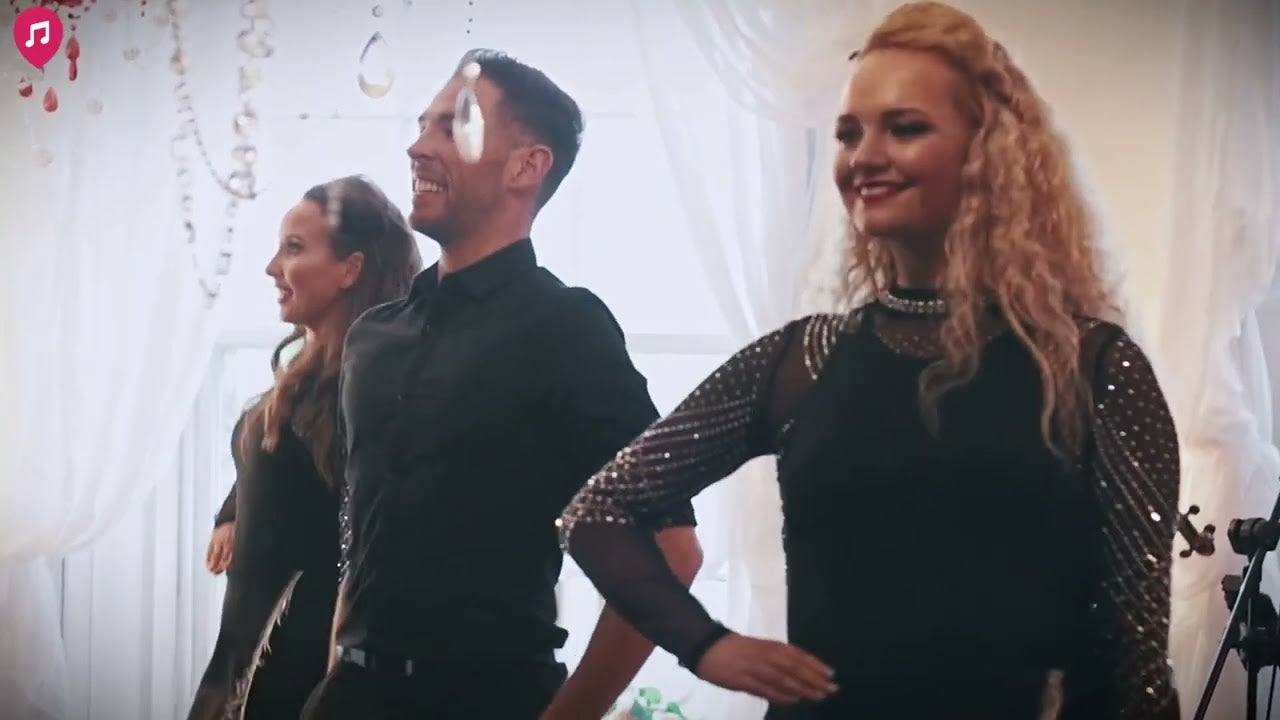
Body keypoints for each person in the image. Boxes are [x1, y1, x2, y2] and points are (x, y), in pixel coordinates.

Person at [558, 3, 1182, 718]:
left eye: (905, 128)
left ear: (987, 152)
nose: (864, 156)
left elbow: (1137, 665)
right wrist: (706, 645)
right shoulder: (805, 359)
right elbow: (598, 509)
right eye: (849, 133)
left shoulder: (1091, 368)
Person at [300, 49, 704, 720]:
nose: (417, 147)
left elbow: (673, 552)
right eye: (421, 126)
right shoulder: (372, 336)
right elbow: (362, 531)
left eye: (451, 128)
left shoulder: (566, 329)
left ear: (527, 166)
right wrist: (336, 674)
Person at [189, 176, 422, 720]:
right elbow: (277, 466)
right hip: (243, 652)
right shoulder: (304, 377)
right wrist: (234, 513)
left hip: (301, 666)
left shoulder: (368, 391)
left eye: (293, 248)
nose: (272, 267)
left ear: (350, 268)